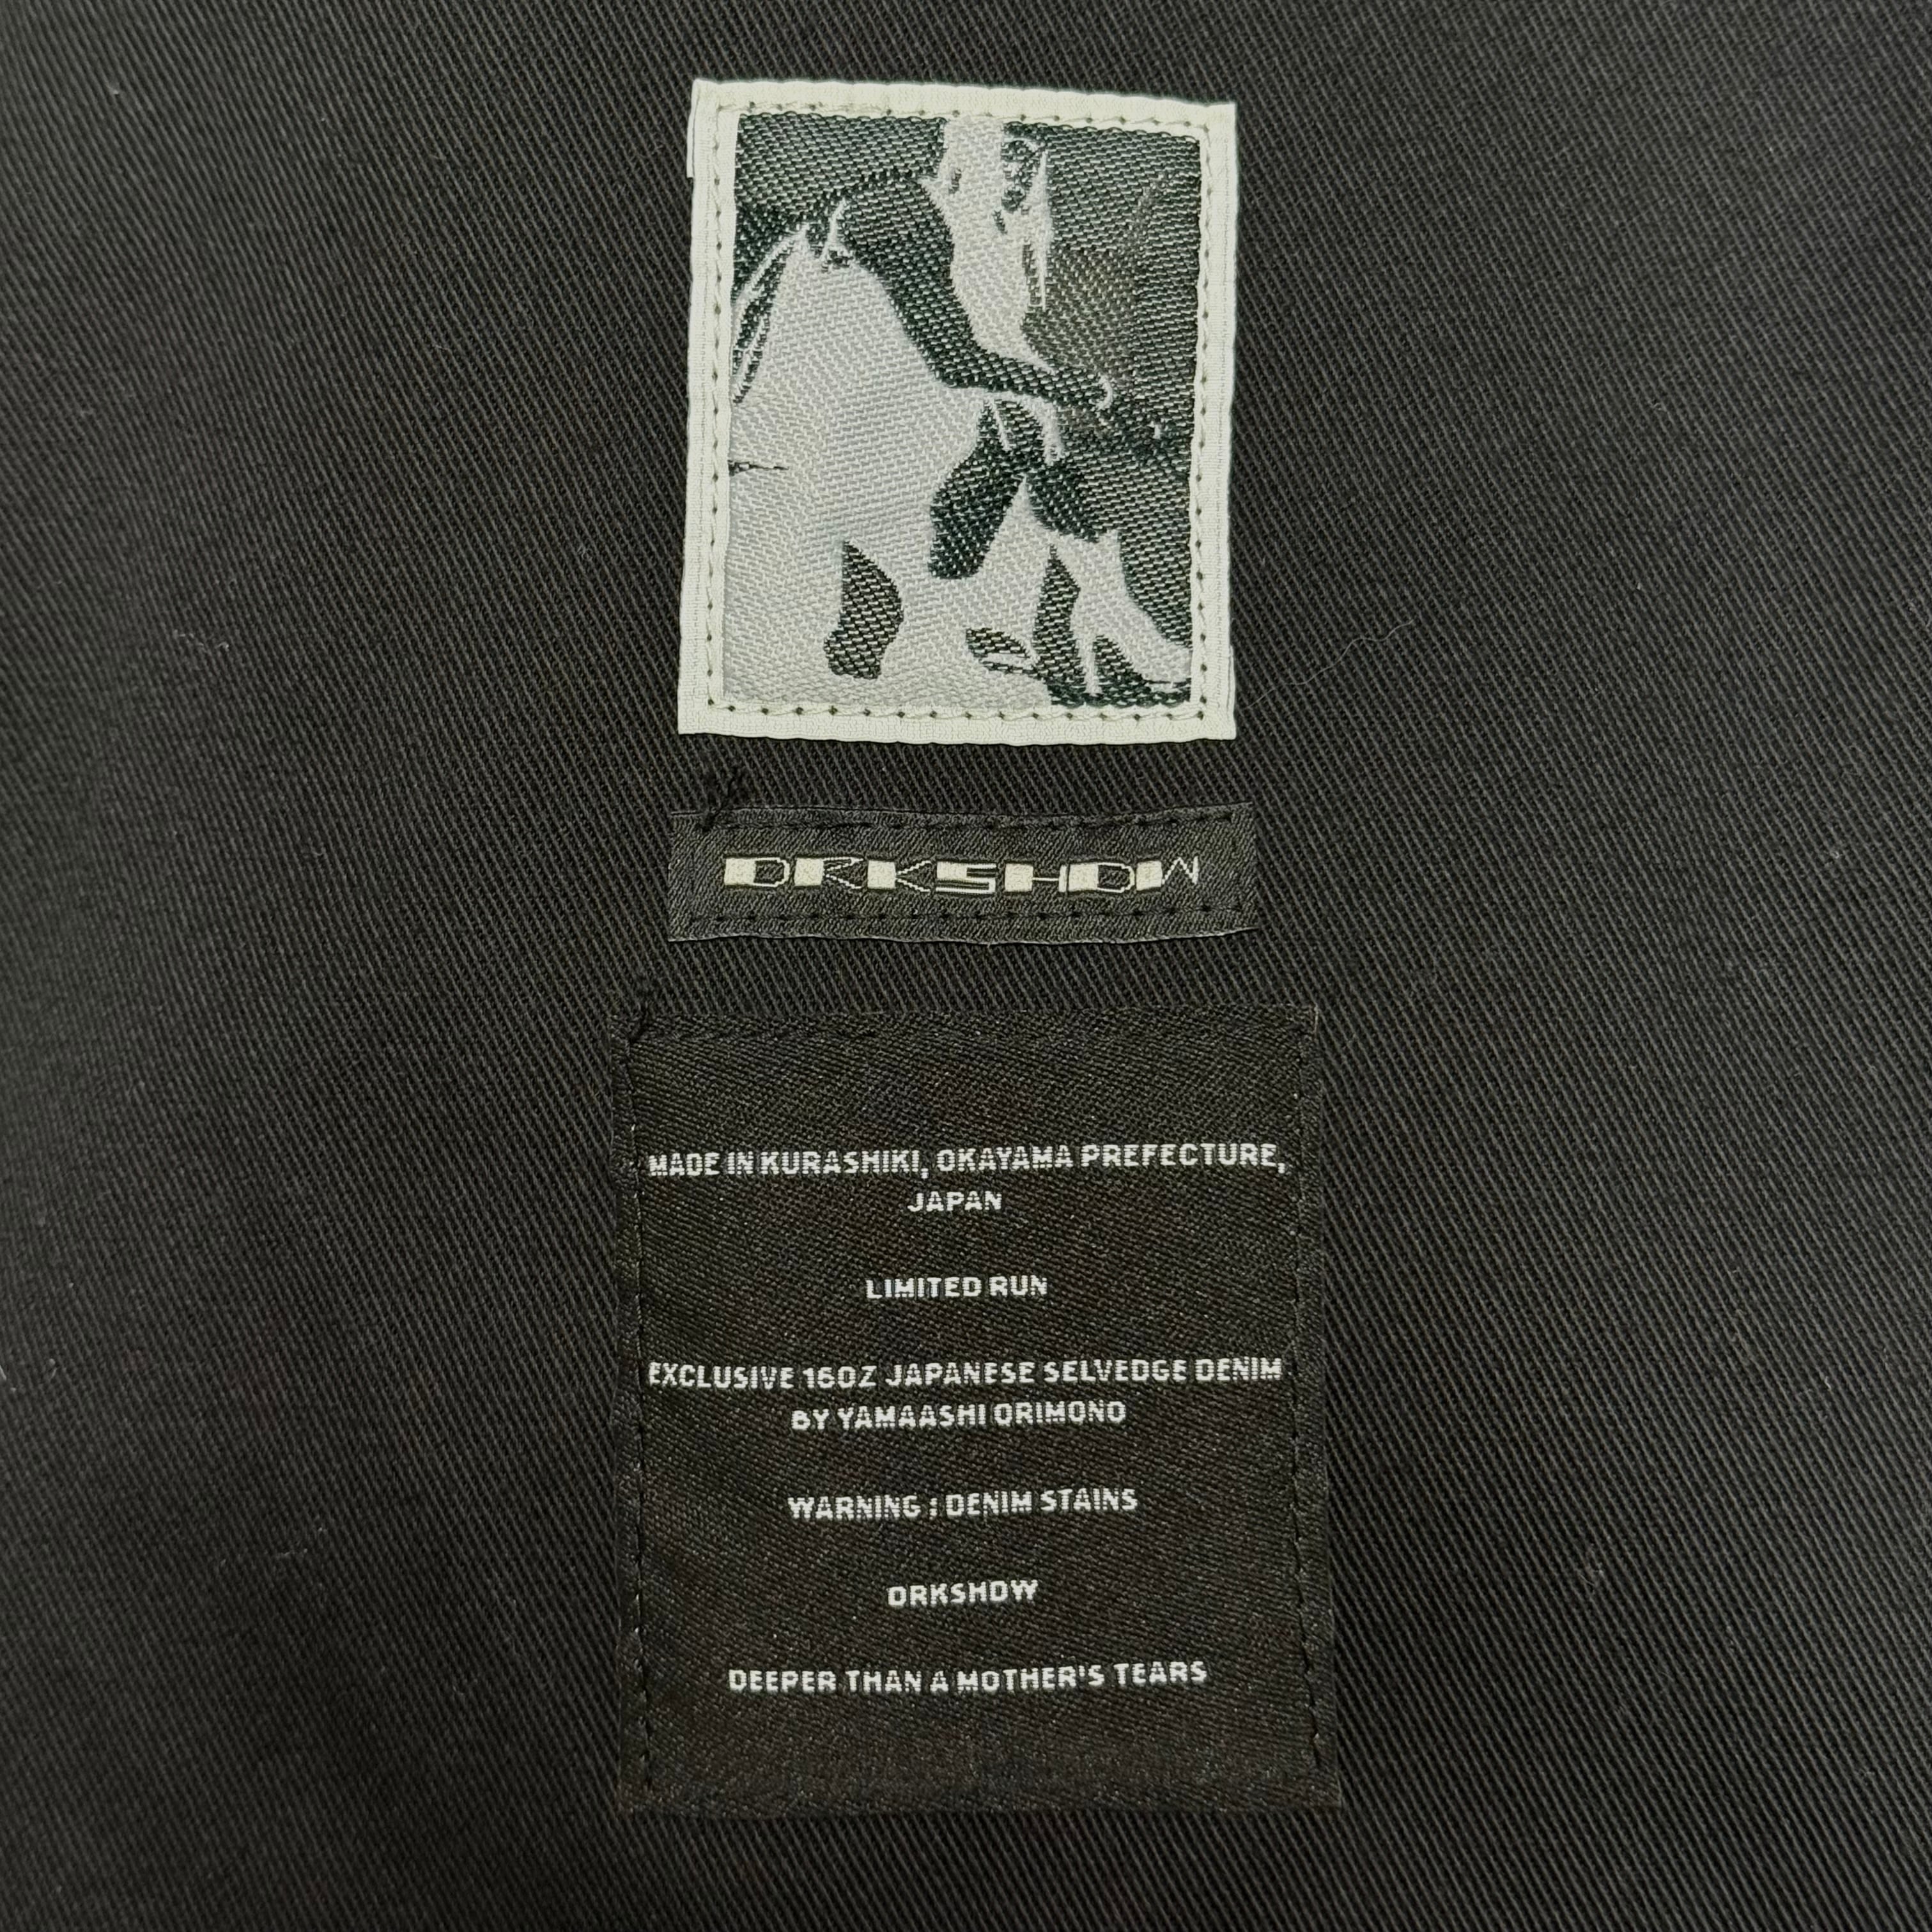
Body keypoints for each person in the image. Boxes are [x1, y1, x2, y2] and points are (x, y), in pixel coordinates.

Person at [723, 116, 1191, 711]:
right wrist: (1098, 396)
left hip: (864, 431)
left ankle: (1104, 624)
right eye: (1008, 151)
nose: (1021, 170)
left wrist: (1051, 418)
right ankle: (1066, 628)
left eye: (1033, 158)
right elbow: (957, 361)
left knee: (1026, 457)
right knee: (820, 649)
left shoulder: (988, 235)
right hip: (793, 441)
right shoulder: (901, 212)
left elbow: (998, 356)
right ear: (963, 150)